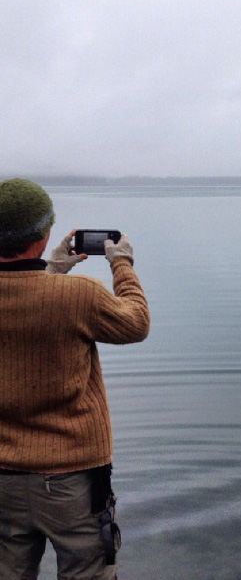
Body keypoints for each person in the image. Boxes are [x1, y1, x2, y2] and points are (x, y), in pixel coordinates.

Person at [0, 178, 150, 579]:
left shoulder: (65, 290)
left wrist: (51, 269)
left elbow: (20, 296)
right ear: (45, 232)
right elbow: (136, 323)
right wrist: (122, 264)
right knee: (88, 571)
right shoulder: (78, 294)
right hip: (73, 479)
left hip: (3, 479)